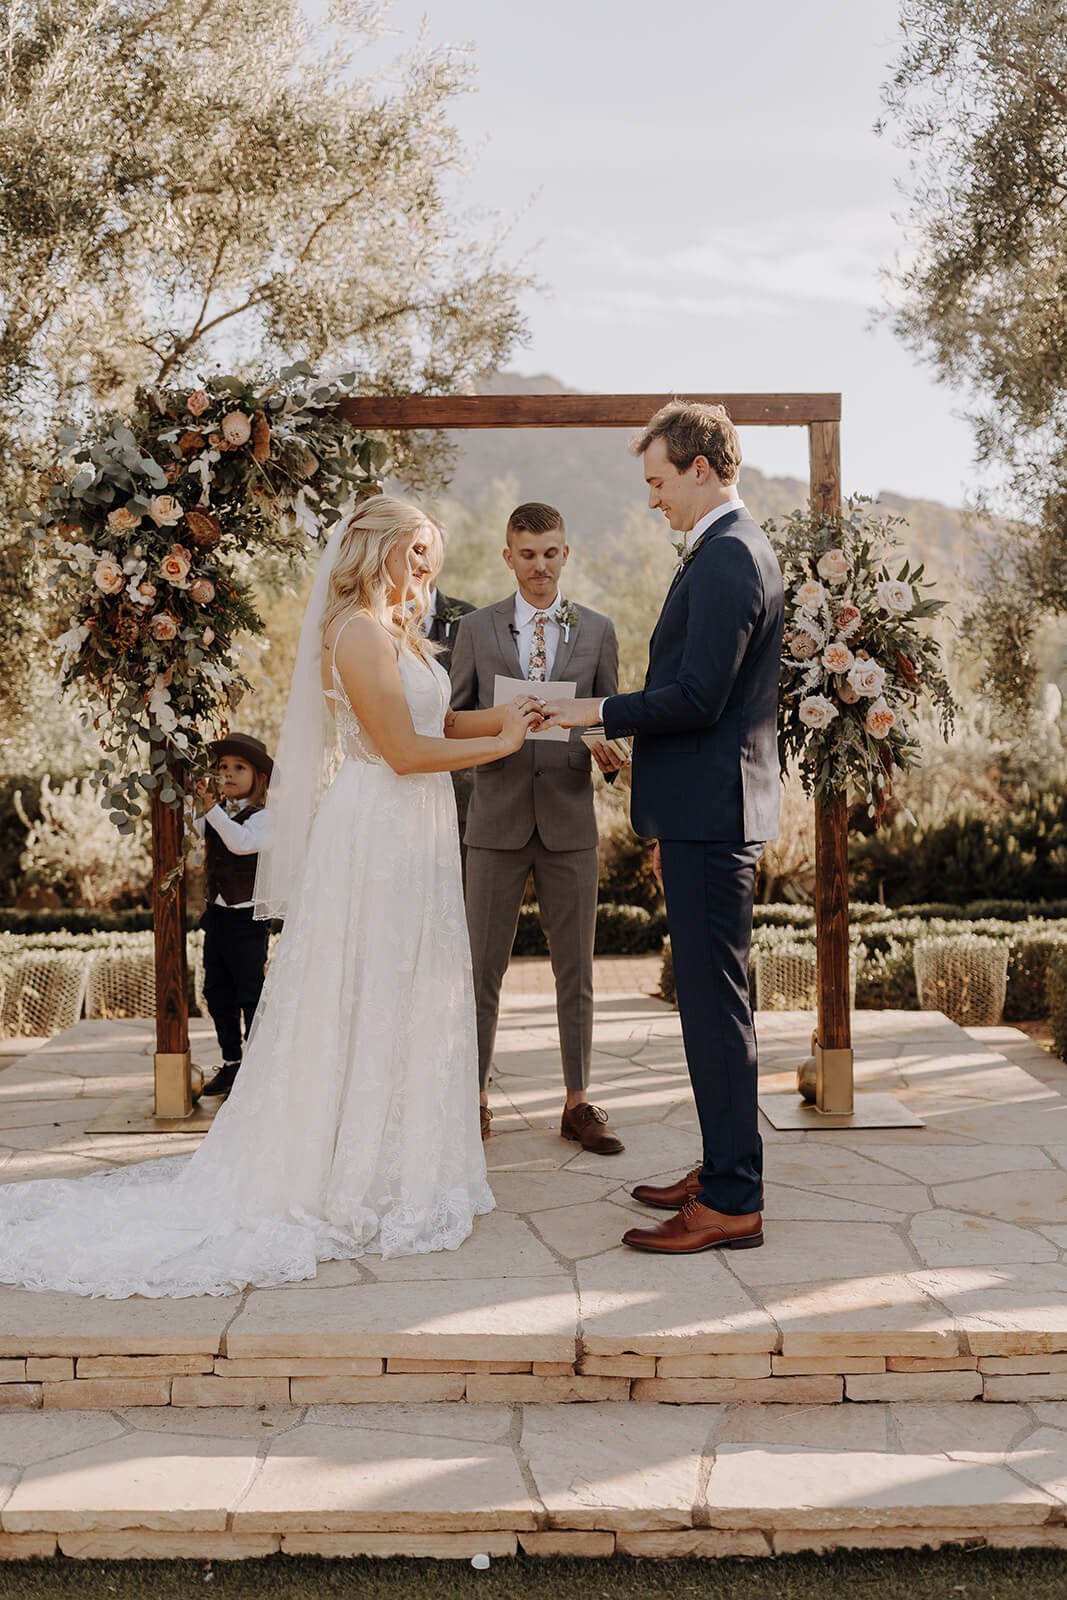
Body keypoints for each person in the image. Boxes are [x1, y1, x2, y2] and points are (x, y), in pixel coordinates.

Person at [0, 496, 545, 1298]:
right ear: (378, 551)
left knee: (406, 987)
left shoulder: (395, 633)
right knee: (365, 983)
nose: (430, 568)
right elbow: (396, 749)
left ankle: (398, 1157)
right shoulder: (355, 632)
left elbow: (435, 718)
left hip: (414, 828)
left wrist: (498, 716)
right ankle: (346, 1169)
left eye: (435, 552)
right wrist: (501, 746)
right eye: (418, 551)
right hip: (378, 830)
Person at [540, 403, 784, 1254]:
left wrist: (590, 709)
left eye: (656, 482)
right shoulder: (727, 551)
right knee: (715, 1007)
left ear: (700, 467)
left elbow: (697, 699)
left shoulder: (727, 557)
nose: (652, 501)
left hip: (713, 818)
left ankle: (730, 1201)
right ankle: (723, 1169)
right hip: (709, 806)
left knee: (714, 1011)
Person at [449, 501, 627, 1153]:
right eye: (527, 554)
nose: (540, 566)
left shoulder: (599, 631)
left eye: (551, 552)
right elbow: (450, 720)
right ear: (507, 557)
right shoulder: (475, 629)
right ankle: (471, 1099)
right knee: (480, 970)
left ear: (565, 554)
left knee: (576, 968)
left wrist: (609, 750)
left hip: (569, 823)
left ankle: (578, 1102)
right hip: (492, 822)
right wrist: (505, 725)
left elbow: (608, 719)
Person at [193, 732, 274, 1100]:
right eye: (222, 767)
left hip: (246, 920)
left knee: (249, 991)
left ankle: (258, 1064)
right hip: (218, 916)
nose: (228, 773)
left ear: (259, 777)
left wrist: (210, 810)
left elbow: (241, 844)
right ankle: (231, 1061)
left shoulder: (266, 818)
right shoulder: (214, 814)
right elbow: (191, 841)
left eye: (238, 767)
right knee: (216, 990)